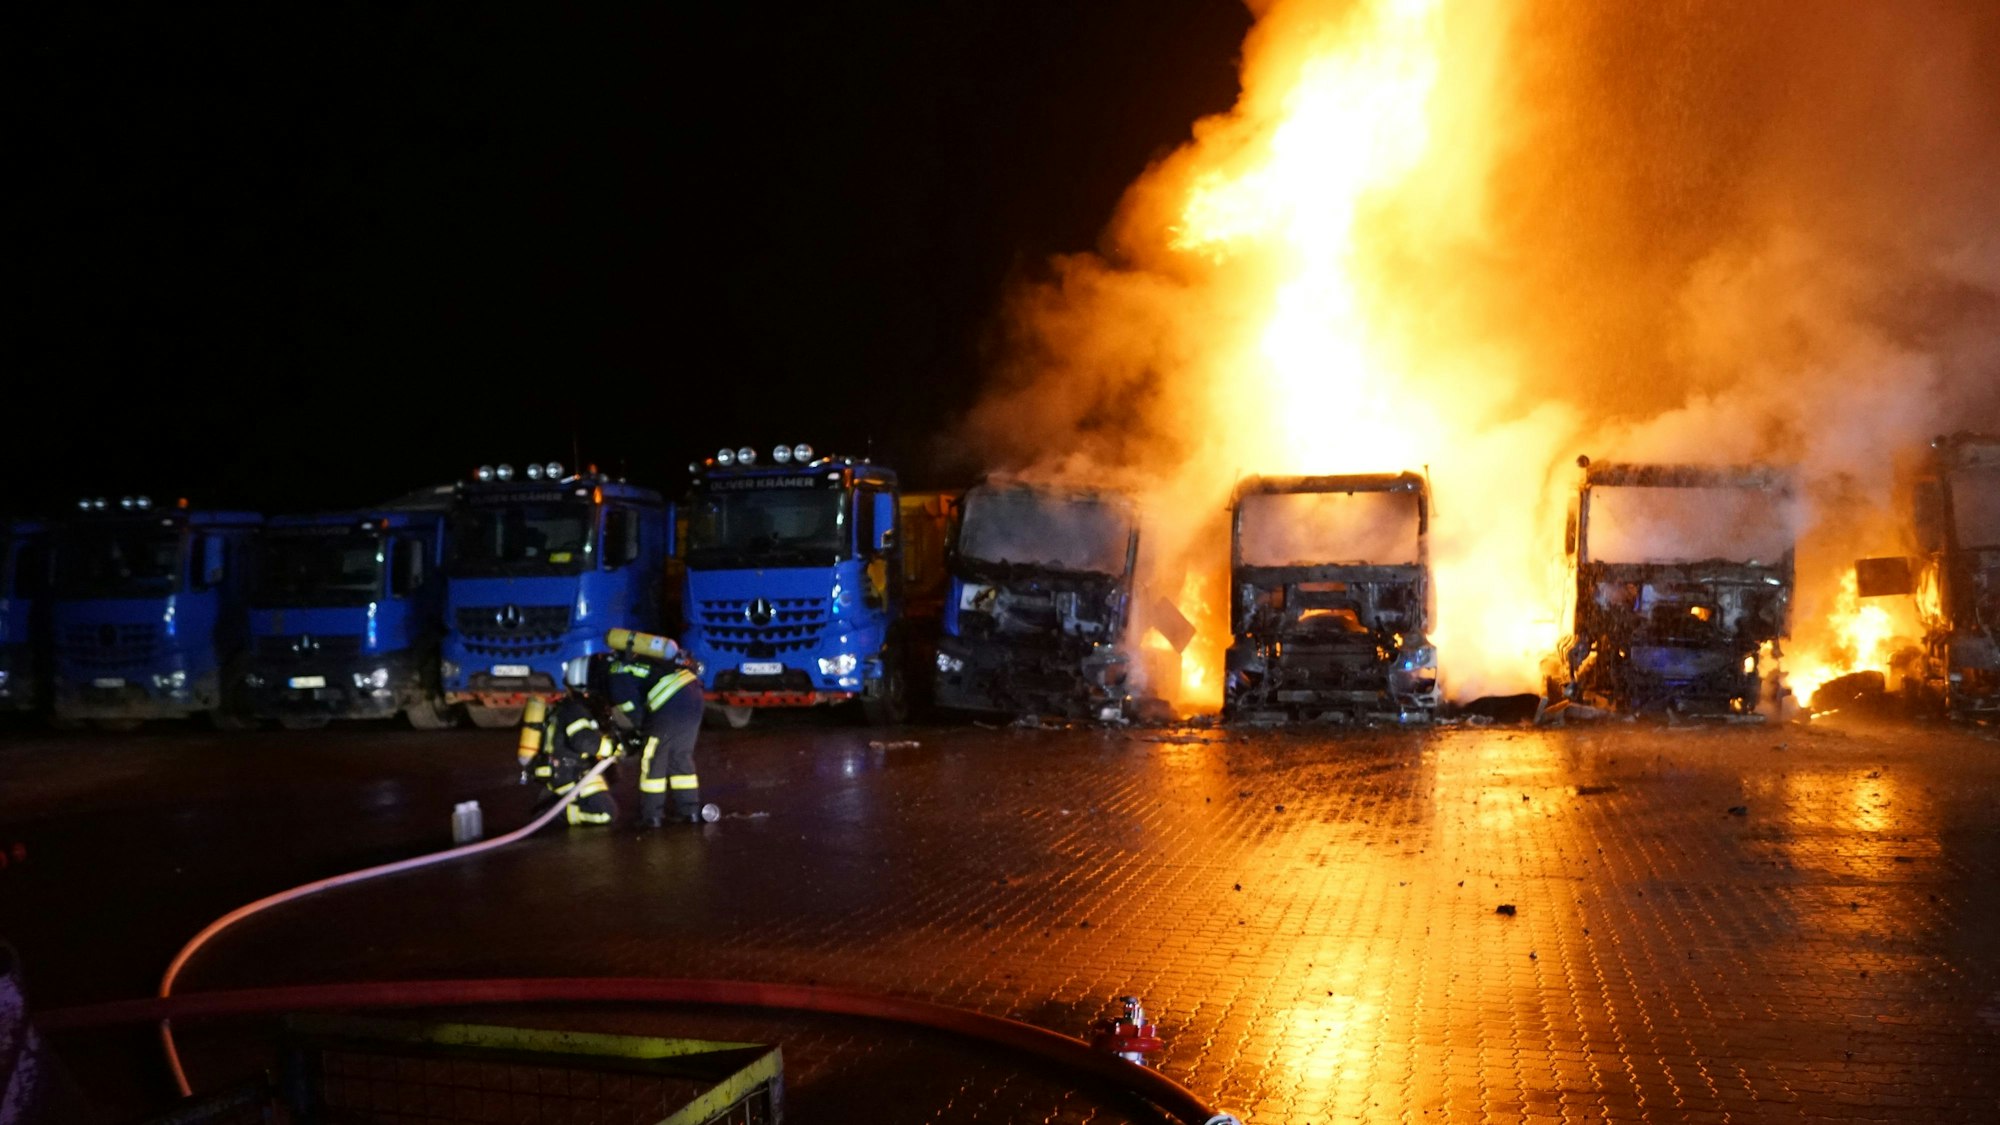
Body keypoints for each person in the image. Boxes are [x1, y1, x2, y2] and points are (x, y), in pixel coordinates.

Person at [601, 629, 705, 827]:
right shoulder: (645, 658)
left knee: (653, 759)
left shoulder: (617, 671)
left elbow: (628, 706)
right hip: (693, 694)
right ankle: (690, 811)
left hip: (670, 700)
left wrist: (643, 728)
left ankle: (652, 816)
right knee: (680, 756)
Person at [520, 656, 618, 826]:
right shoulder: (575, 710)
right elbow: (582, 740)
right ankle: (553, 815)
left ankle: (556, 805)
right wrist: (610, 747)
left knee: (607, 786)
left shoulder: (570, 706)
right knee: (605, 814)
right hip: (568, 773)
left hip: (569, 769)